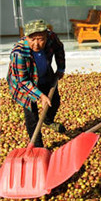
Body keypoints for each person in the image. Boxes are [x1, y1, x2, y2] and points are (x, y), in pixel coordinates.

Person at [6, 19, 66, 148]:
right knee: (32, 115)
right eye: (32, 39)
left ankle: (47, 120)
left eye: (40, 39)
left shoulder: (51, 37)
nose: (36, 44)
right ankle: (38, 147)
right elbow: (23, 81)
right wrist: (41, 96)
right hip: (24, 84)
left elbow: (59, 48)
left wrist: (61, 68)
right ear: (26, 37)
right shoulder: (19, 53)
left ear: (46, 36)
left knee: (54, 101)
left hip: (45, 75)